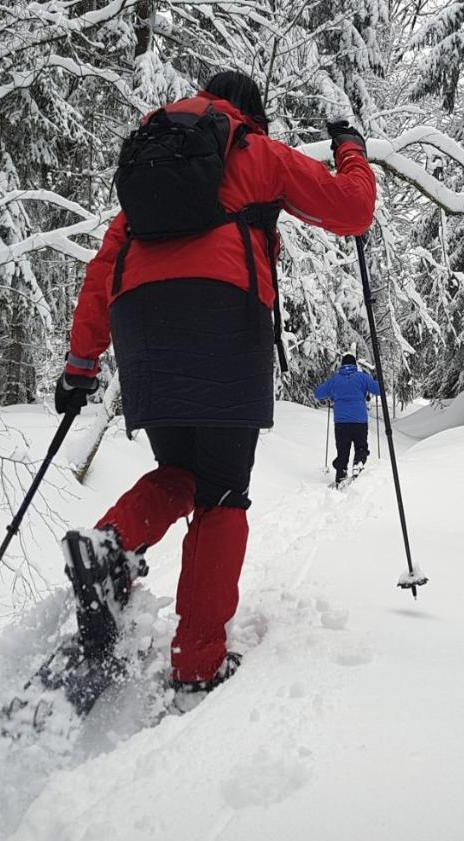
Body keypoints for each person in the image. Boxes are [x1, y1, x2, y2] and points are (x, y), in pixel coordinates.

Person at [54, 70, 376, 705]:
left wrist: (81, 363)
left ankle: (110, 542)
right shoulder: (257, 152)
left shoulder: (152, 172)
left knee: (178, 470)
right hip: (224, 319)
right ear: (250, 114)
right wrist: (349, 146)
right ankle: (198, 661)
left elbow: (104, 267)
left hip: (141, 324)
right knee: (223, 490)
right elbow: (353, 208)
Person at [314, 353, 381, 485]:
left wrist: (332, 393)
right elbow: (379, 390)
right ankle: (358, 463)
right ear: (354, 365)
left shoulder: (335, 379)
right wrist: (378, 380)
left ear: (342, 365)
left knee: (342, 450)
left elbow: (318, 394)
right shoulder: (362, 378)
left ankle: (340, 476)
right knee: (361, 447)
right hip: (359, 421)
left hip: (341, 422)